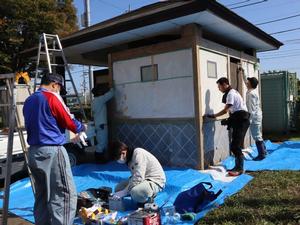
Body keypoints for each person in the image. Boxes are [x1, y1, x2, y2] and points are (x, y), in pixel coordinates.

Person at [23, 74, 85, 225]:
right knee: (63, 196)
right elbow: (68, 120)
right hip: (52, 152)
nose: (59, 91)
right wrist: (81, 127)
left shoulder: (29, 100)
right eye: (59, 88)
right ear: (54, 84)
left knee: (42, 195)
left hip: (34, 152)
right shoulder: (51, 97)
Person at [205, 77, 250, 176]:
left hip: (242, 120)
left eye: (219, 86)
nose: (219, 89)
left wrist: (214, 116)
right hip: (239, 119)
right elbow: (232, 111)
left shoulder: (230, 94)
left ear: (225, 84)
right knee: (235, 145)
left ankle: (239, 168)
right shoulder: (232, 92)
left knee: (235, 146)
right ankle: (237, 166)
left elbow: (226, 110)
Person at [240, 68, 267, 160]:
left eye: (248, 82)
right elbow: (246, 80)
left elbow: (251, 109)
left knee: (256, 135)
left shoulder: (251, 94)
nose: (246, 82)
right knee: (258, 134)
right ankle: (264, 151)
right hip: (257, 115)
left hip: (254, 117)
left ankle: (262, 154)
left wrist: (249, 120)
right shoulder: (252, 90)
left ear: (250, 84)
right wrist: (243, 71)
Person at [89, 84, 114, 162]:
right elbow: (111, 94)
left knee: (101, 141)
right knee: (102, 143)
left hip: (98, 124)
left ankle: (101, 158)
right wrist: (112, 87)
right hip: (101, 124)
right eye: (102, 90)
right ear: (99, 92)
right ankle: (99, 159)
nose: (103, 92)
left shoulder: (94, 101)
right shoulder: (100, 99)